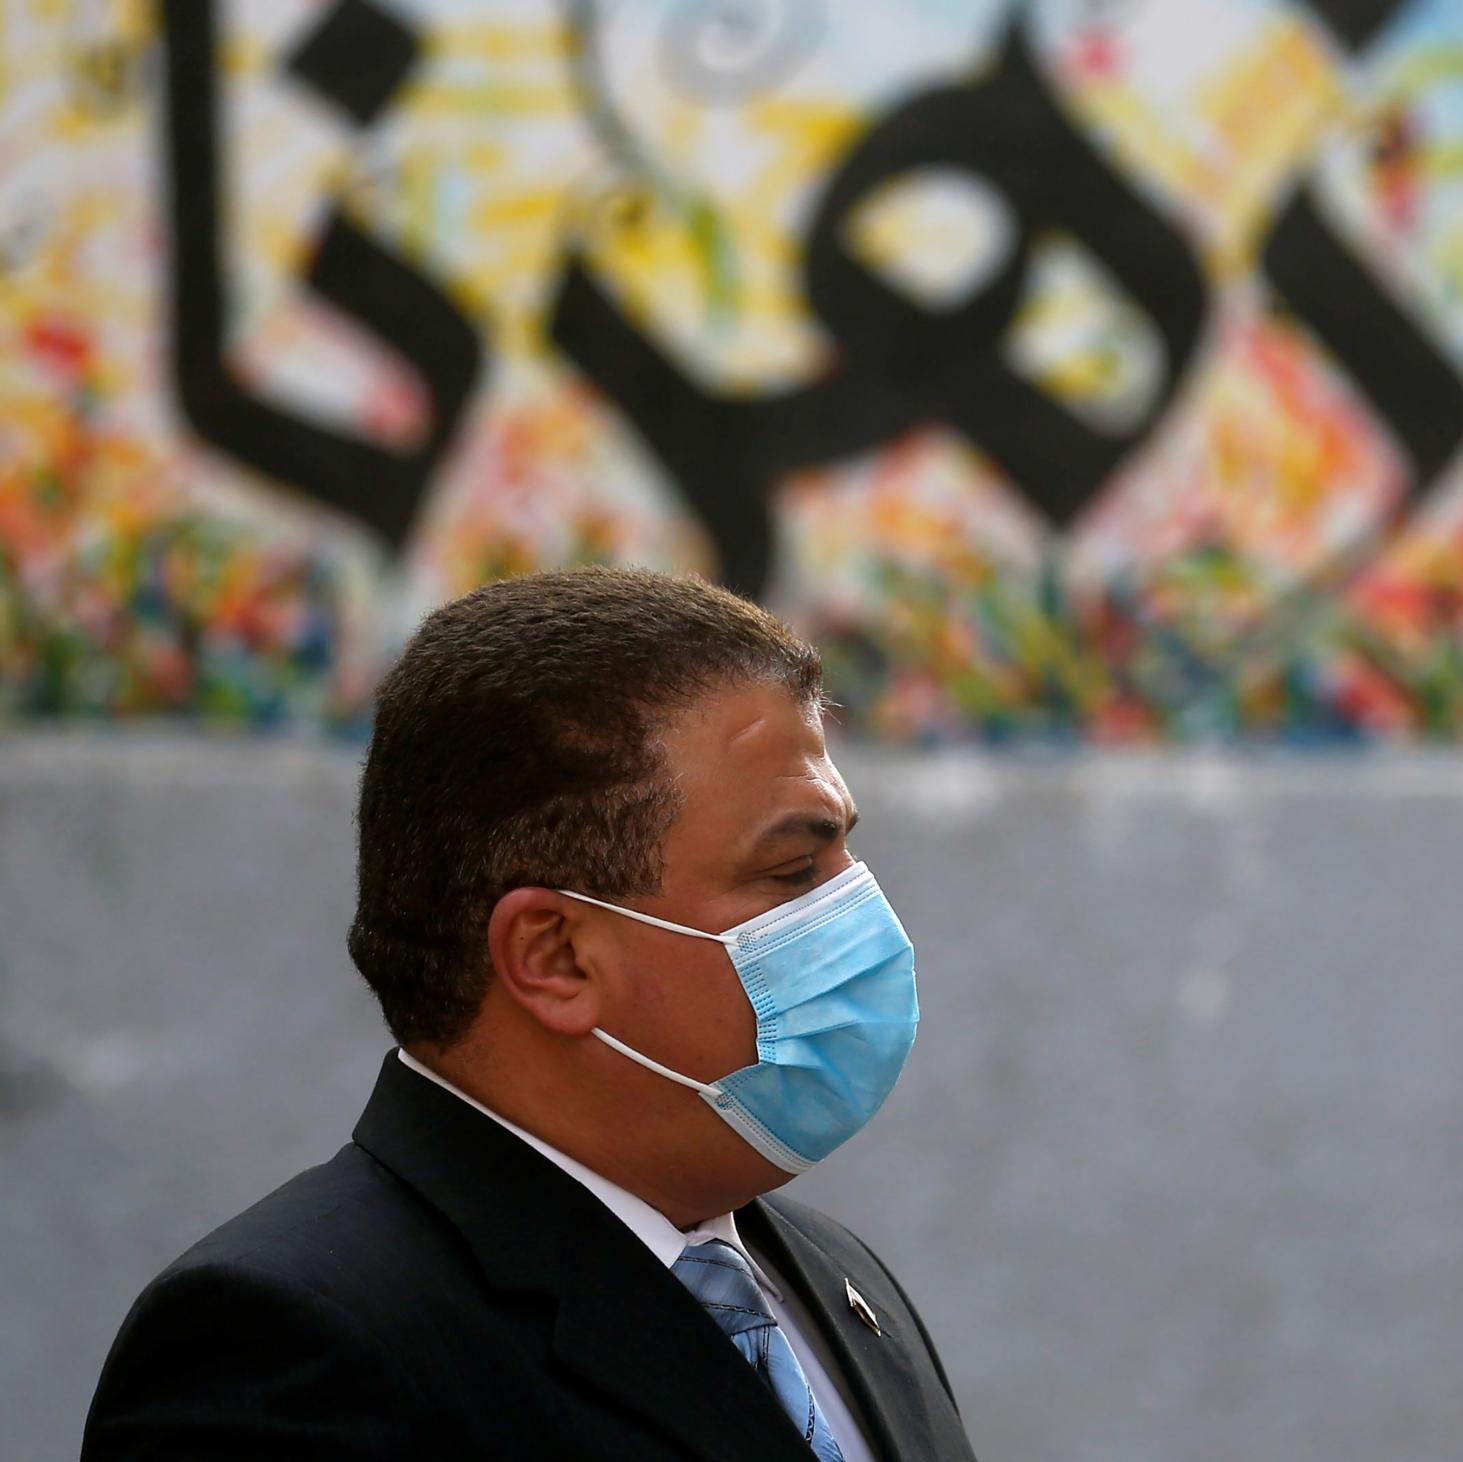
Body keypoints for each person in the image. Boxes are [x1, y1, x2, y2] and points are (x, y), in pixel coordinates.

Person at [85, 567, 975, 1461]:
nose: (860, 912)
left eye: (846, 858)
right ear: (555, 956)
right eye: (791, 874)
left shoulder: (839, 1285)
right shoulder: (286, 1349)